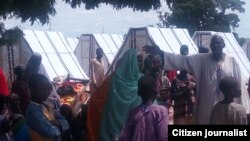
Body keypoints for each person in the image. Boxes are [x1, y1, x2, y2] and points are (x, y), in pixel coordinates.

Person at [143, 34, 250, 124]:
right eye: (213, 43)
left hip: (228, 109)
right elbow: (182, 60)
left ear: (224, 45)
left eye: (218, 43)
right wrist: (161, 52)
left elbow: (239, 86)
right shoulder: (202, 59)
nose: (216, 45)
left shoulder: (232, 62)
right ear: (210, 46)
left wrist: (245, 108)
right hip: (206, 107)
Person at [119, 75, 168, 141]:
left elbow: (124, 137)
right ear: (155, 91)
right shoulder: (161, 111)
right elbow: (164, 136)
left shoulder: (134, 113)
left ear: (139, 93)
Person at [25, 74, 69, 141]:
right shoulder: (32, 111)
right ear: (32, 89)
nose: (47, 92)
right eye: (43, 89)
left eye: (48, 88)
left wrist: (55, 123)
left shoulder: (46, 105)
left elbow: (65, 122)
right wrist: (60, 125)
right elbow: (49, 132)